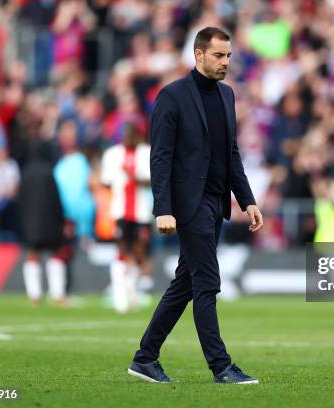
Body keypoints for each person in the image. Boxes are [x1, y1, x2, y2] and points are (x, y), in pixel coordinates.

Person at [128, 27, 264, 384]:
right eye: (219, 56)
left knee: (185, 285)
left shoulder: (227, 95)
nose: (225, 63)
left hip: (216, 203)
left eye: (229, 56)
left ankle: (145, 357)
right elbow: (161, 158)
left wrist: (246, 200)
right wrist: (163, 208)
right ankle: (221, 366)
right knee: (206, 281)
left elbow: (231, 154)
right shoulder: (171, 96)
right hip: (189, 206)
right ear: (198, 55)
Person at [101, 122, 153, 313]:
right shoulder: (112, 154)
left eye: (131, 134)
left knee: (140, 252)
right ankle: (120, 295)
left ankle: (131, 292)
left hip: (142, 211)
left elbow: (153, 179)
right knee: (122, 250)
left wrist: (132, 176)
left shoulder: (146, 153)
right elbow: (106, 182)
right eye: (125, 134)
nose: (128, 138)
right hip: (120, 211)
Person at [18, 141, 68, 306]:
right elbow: (56, 200)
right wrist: (62, 221)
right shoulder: (49, 173)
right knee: (55, 254)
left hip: (30, 224)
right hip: (50, 223)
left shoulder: (25, 174)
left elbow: (20, 202)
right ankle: (57, 294)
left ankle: (34, 295)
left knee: (33, 255)